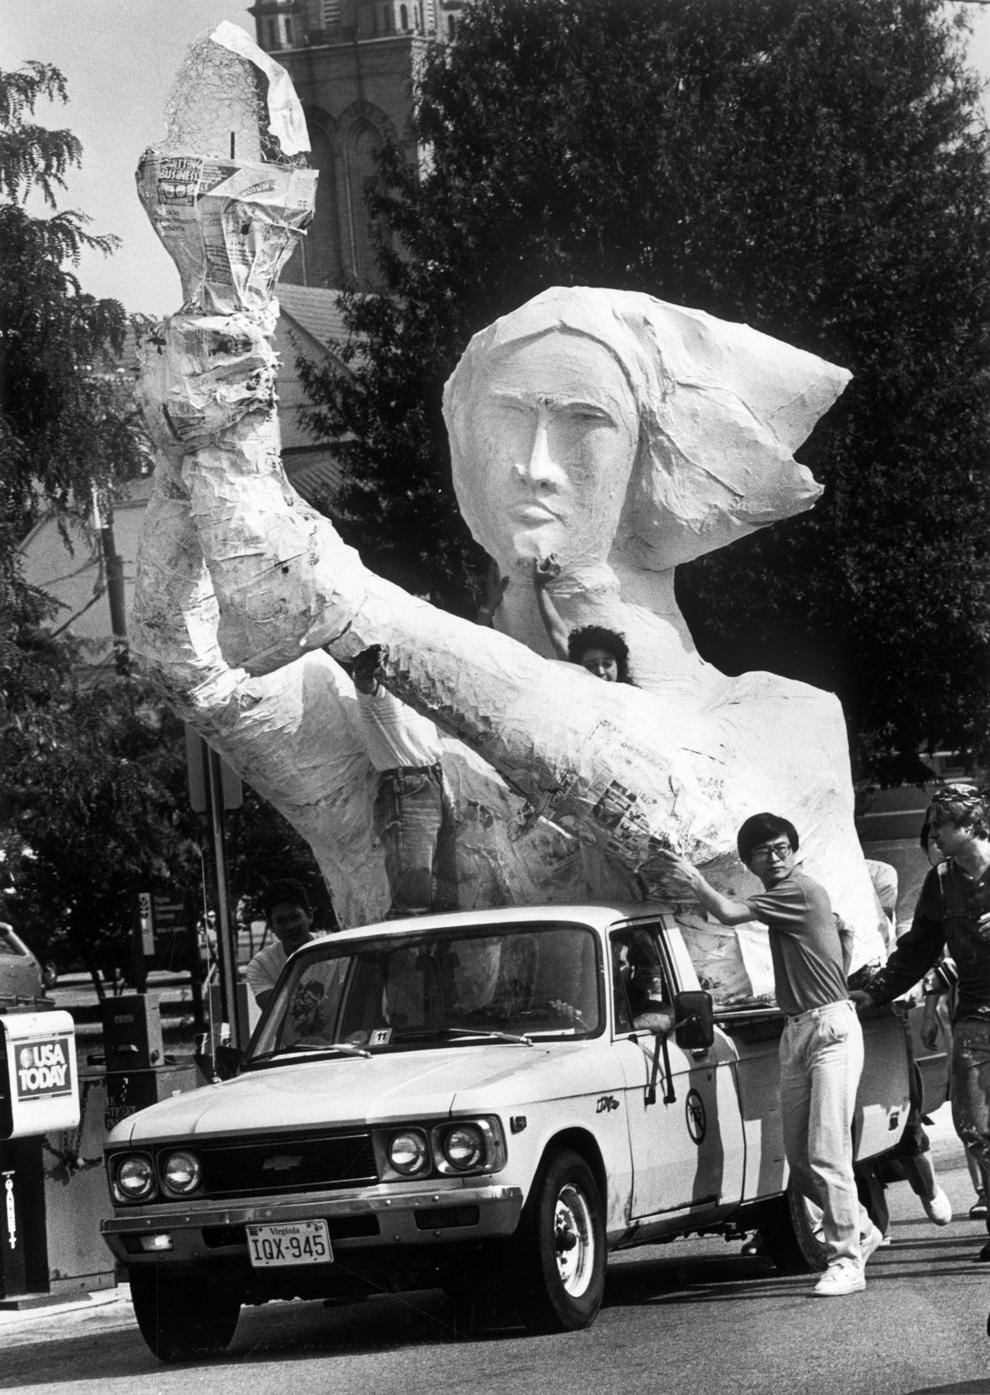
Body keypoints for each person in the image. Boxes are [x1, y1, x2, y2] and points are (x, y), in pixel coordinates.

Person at [660, 812, 883, 1297]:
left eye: (783, 848)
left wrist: (695, 878)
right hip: (796, 1030)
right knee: (800, 1164)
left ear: (794, 851)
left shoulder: (801, 890)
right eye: (764, 852)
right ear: (749, 860)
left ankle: (847, 1259)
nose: (776, 858)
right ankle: (862, 1229)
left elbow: (730, 914)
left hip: (831, 1028)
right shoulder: (783, 896)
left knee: (827, 1153)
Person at [850, 784, 990, 1260]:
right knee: (973, 1124)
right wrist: (877, 990)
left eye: (942, 825)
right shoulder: (942, 881)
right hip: (975, 1015)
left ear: (970, 825)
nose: (933, 835)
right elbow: (919, 949)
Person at [351, 644, 456, 917]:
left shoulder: (415, 693)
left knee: (445, 895)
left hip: (433, 783)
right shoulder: (377, 689)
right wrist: (370, 664)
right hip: (407, 789)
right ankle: (405, 956)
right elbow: (365, 680)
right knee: (414, 894)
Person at [534, 556, 635, 684]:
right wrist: (539, 586)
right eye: (591, 665)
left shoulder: (633, 696)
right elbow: (558, 634)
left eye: (607, 664)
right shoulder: (579, 688)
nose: (600, 671)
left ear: (618, 665)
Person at [245, 878, 317, 1011]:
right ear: (272, 926)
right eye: (281, 921)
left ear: (310, 915)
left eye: (295, 917)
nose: (290, 927)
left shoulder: (335, 952)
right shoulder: (261, 965)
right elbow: (275, 1013)